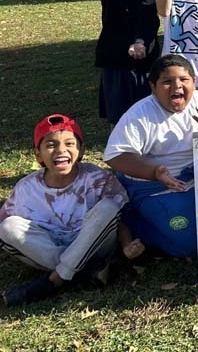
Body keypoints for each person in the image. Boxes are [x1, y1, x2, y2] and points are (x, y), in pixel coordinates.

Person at [104, 55, 198, 258]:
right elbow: (116, 155)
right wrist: (155, 172)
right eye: (167, 81)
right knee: (190, 243)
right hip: (154, 187)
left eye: (184, 80)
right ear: (153, 86)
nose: (177, 86)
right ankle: (130, 219)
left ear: (194, 82)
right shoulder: (140, 114)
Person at [0, 114, 128, 306]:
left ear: (81, 149)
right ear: (38, 154)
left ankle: (55, 279)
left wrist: (127, 245)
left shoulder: (98, 178)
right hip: (51, 248)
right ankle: (84, 272)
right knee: (7, 226)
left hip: (95, 247)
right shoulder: (26, 188)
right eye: (51, 145)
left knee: (109, 207)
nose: (61, 150)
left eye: (69, 143)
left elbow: (120, 218)